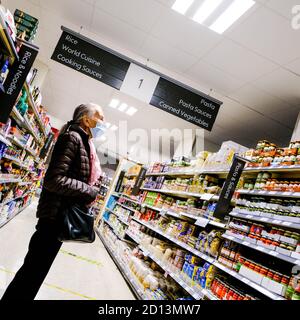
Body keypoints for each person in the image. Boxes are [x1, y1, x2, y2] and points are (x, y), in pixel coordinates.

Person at [1, 103, 106, 300]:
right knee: (31, 273)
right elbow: (53, 180)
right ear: (86, 119)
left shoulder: (83, 142)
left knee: (35, 274)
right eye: (100, 117)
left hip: (60, 218)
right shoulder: (72, 138)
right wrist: (89, 191)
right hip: (53, 218)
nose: (103, 123)